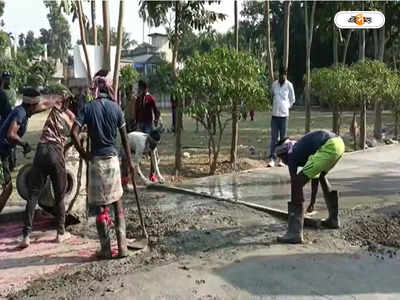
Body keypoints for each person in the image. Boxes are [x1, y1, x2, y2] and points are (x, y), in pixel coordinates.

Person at [71, 72, 135, 259]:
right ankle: (122, 247)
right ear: (109, 88)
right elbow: (124, 139)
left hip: (97, 162)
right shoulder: (116, 109)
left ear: (96, 89)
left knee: (100, 206)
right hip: (113, 161)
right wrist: (130, 163)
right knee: (117, 202)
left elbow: (74, 132)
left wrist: (84, 154)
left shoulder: (88, 108)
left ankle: (106, 249)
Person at [19, 84, 75, 248]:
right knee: (60, 194)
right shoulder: (69, 117)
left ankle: (26, 235)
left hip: (41, 150)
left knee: (33, 194)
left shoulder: (53, 112)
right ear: (67, 102)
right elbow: (75, 134)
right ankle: (60, 233)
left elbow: (44, 104)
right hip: (55, 152)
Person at [274, 130, 345, 244]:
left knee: (297, 183)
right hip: (339, 144)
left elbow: (295, 184)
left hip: (329, 145)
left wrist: (297, 205)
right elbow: (315, 177)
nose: (283, 161)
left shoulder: (292, 154)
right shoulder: (301, 149)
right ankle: (333, 220)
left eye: (281, 158)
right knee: (322, 175)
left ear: (284, 153)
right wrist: (312, 202)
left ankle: (294, 233)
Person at [0, 87, 61, 213]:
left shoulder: (24, 110)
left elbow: (44, 105)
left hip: (4, 153)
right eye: (36, 105)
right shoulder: (20, 113)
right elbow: (11, 134)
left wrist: (57, 100)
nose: (38, 107)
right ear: (32, 105)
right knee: (8, 188)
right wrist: (24, 144)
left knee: (7, 188)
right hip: (1, 152)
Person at [268, 67, 295, 167]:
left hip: (284, 116)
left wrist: (287, 106)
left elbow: (292, 99)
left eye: (283, 75)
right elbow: (271, 95)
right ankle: (272, 159)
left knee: (283, 139)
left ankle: (281, 160)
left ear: (285, 75)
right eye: (280, 75)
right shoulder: (274, 84)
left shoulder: (289, 85)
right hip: (274, 115)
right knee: (274, 138)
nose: (281, 77)